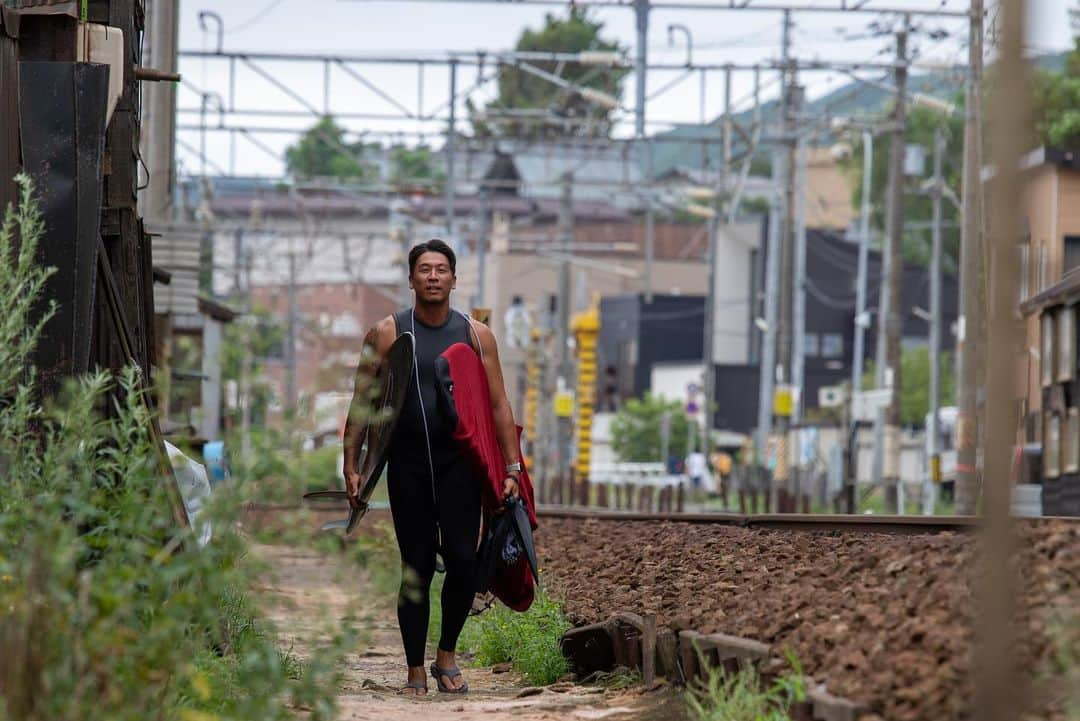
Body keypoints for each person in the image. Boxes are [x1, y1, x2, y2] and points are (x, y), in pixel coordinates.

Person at [342, 239, 522, 696]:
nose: (434, 276)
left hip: (462, 466)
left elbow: (499, 405)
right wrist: (352, 462)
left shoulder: (476, 335)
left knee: (464, 560)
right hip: (408, 467)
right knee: (415, 567)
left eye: (442, 269)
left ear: (455, 280)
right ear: (411, 279)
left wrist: (512, 467)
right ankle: (414, 670)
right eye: (425, 269)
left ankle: (446, 655)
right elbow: (362, 404)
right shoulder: (386, 334)